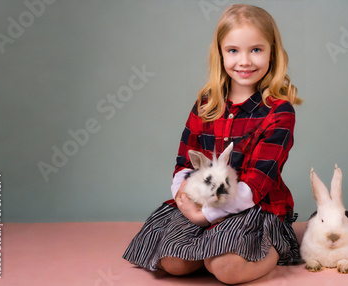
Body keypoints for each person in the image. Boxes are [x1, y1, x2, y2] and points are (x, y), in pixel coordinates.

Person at [123, 4, 303, 284]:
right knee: (172, 263)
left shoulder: (278, 112)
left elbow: (255, 185)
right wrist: (185, 198)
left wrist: (205, 216)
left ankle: (270, 249)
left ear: (272, 52)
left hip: (251, 206)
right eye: (233, 51)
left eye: (256, 50)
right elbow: (185, 161)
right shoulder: (207, 103)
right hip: (202, 201)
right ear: (220, 53)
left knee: (227, 269)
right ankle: (213, 246)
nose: (244, 61)